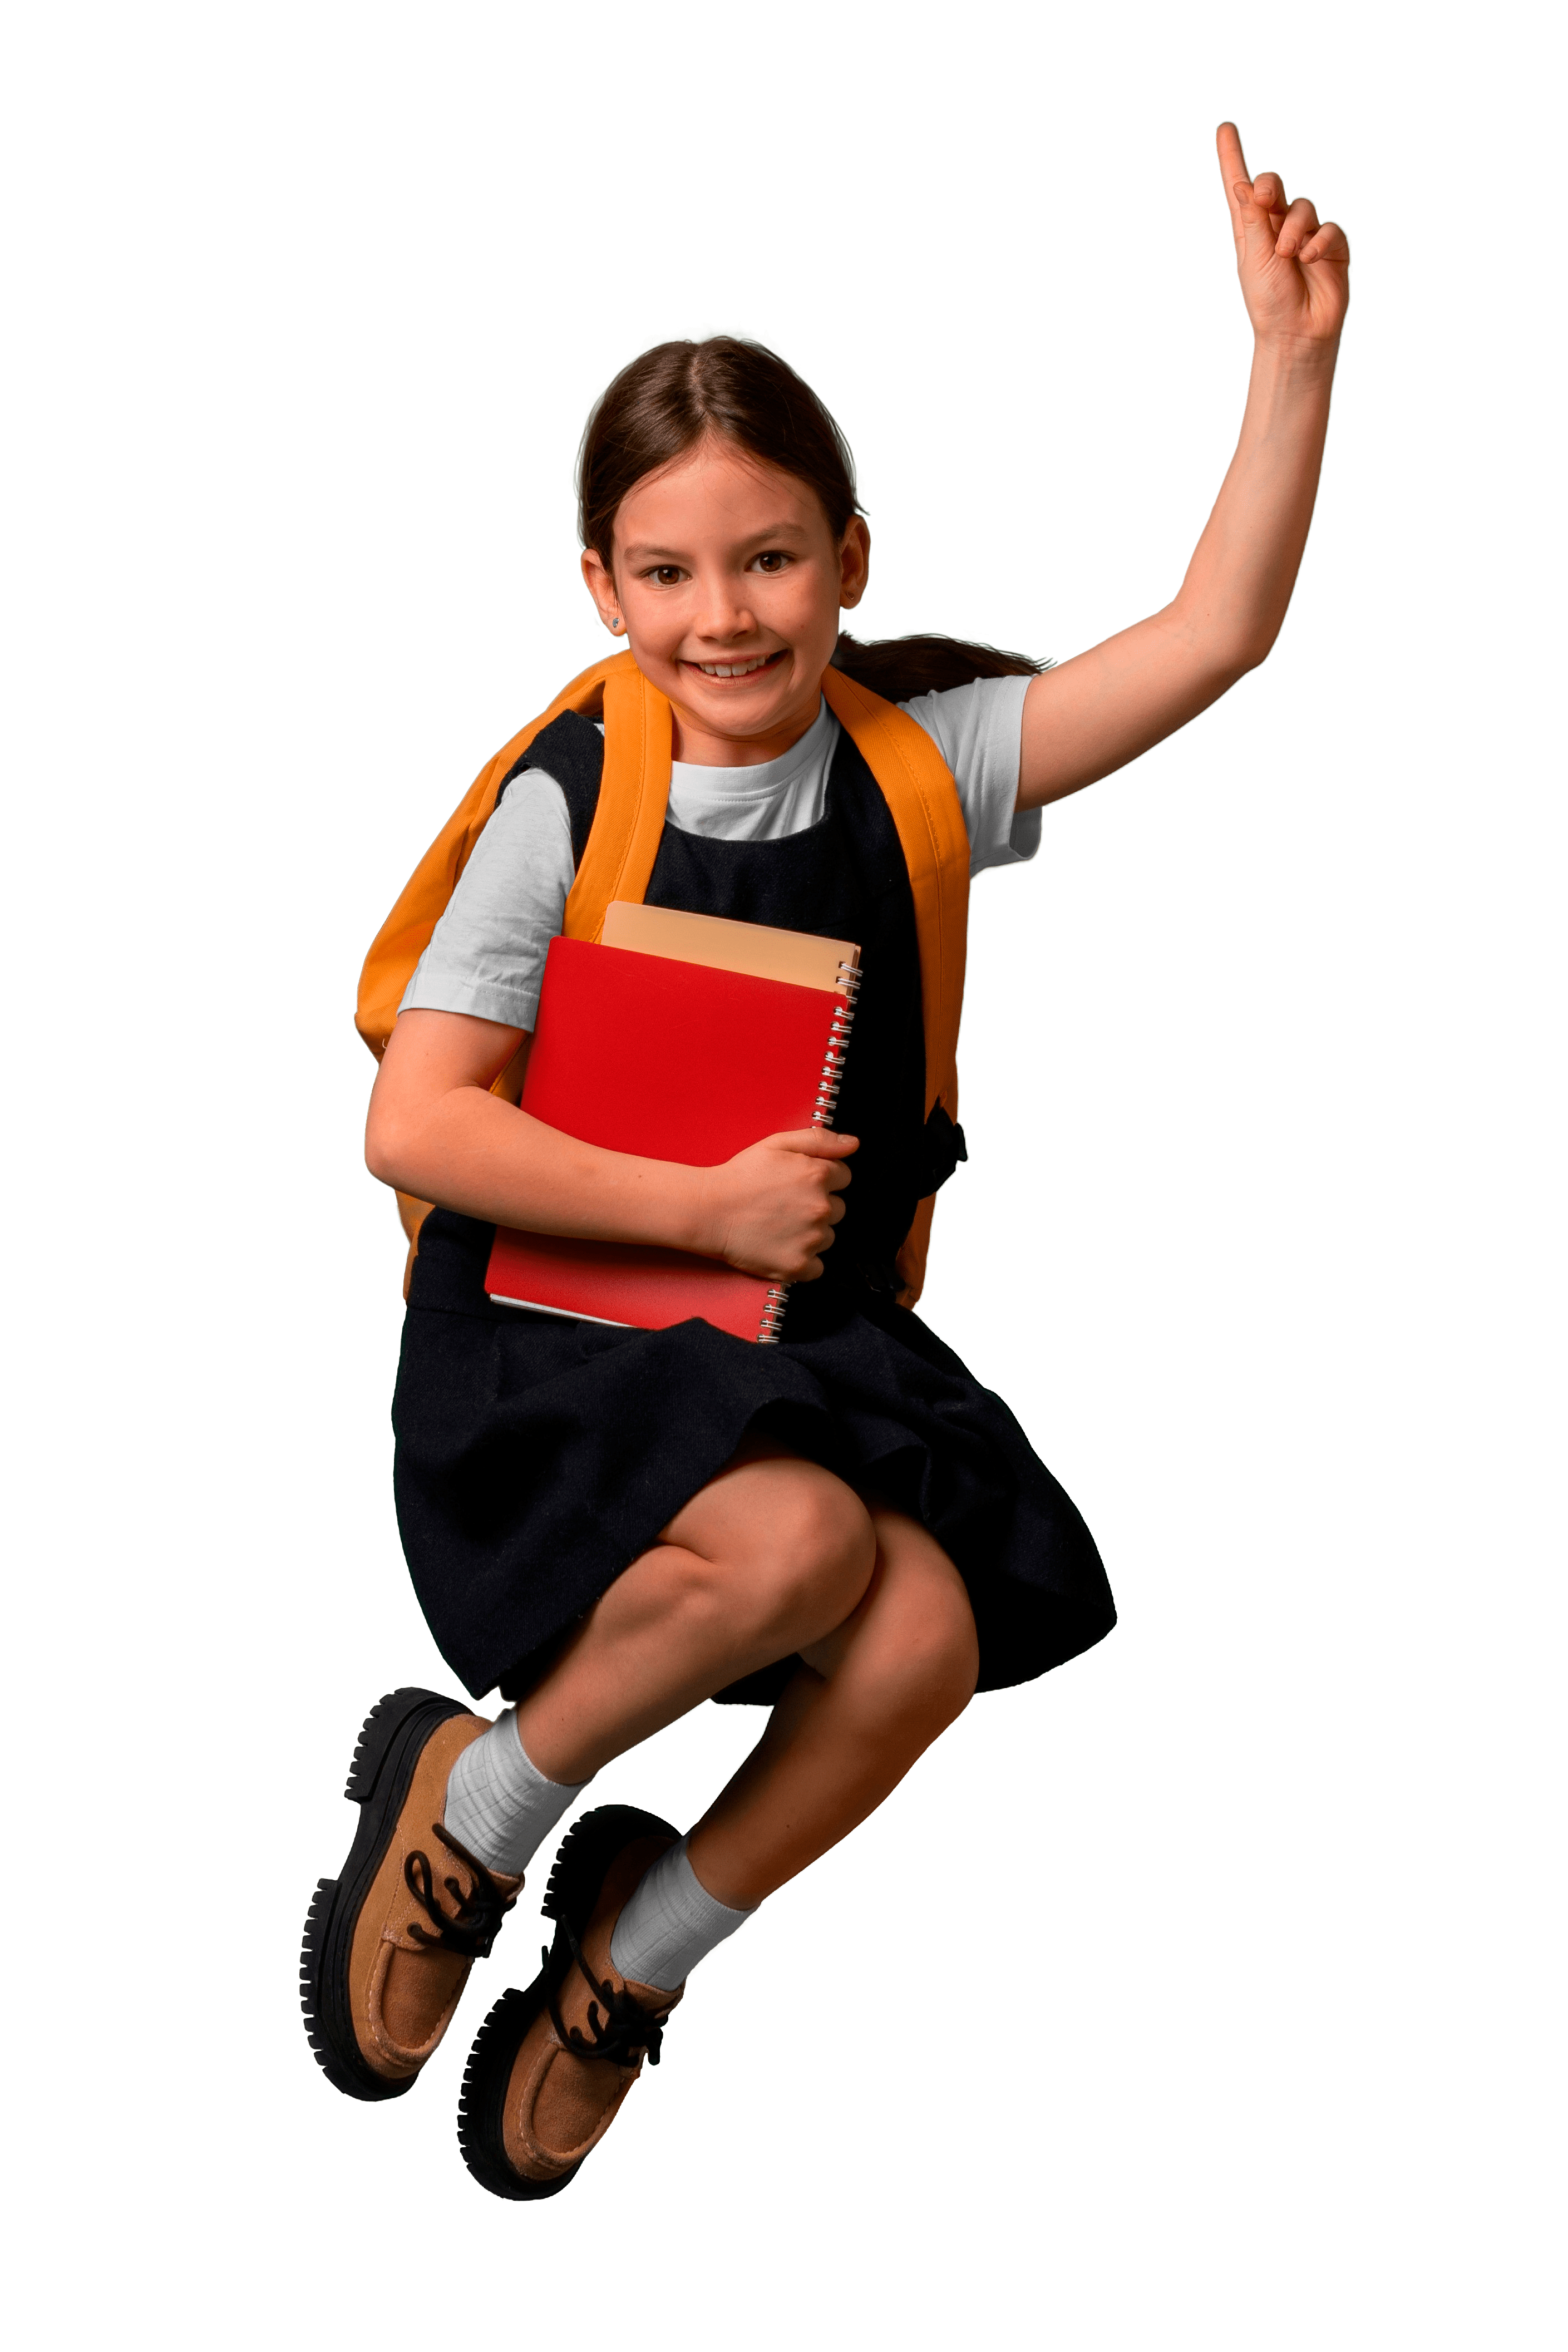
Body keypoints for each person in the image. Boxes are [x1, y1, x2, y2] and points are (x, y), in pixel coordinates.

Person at [300, 123, 1350, 2200]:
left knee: (927, 1633)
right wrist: (697, 1206)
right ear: (603, 588)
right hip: (568, 1328)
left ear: (852, 560)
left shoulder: (917, 765)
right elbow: (411, 1124)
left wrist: (1291, 360)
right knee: (796, 1558)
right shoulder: (569, 800)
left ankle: (634, 1955)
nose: (725, 615)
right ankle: (473, 1812)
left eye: (770, 560)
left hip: (801, 1325)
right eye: (670, 573)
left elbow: (1214, 634)